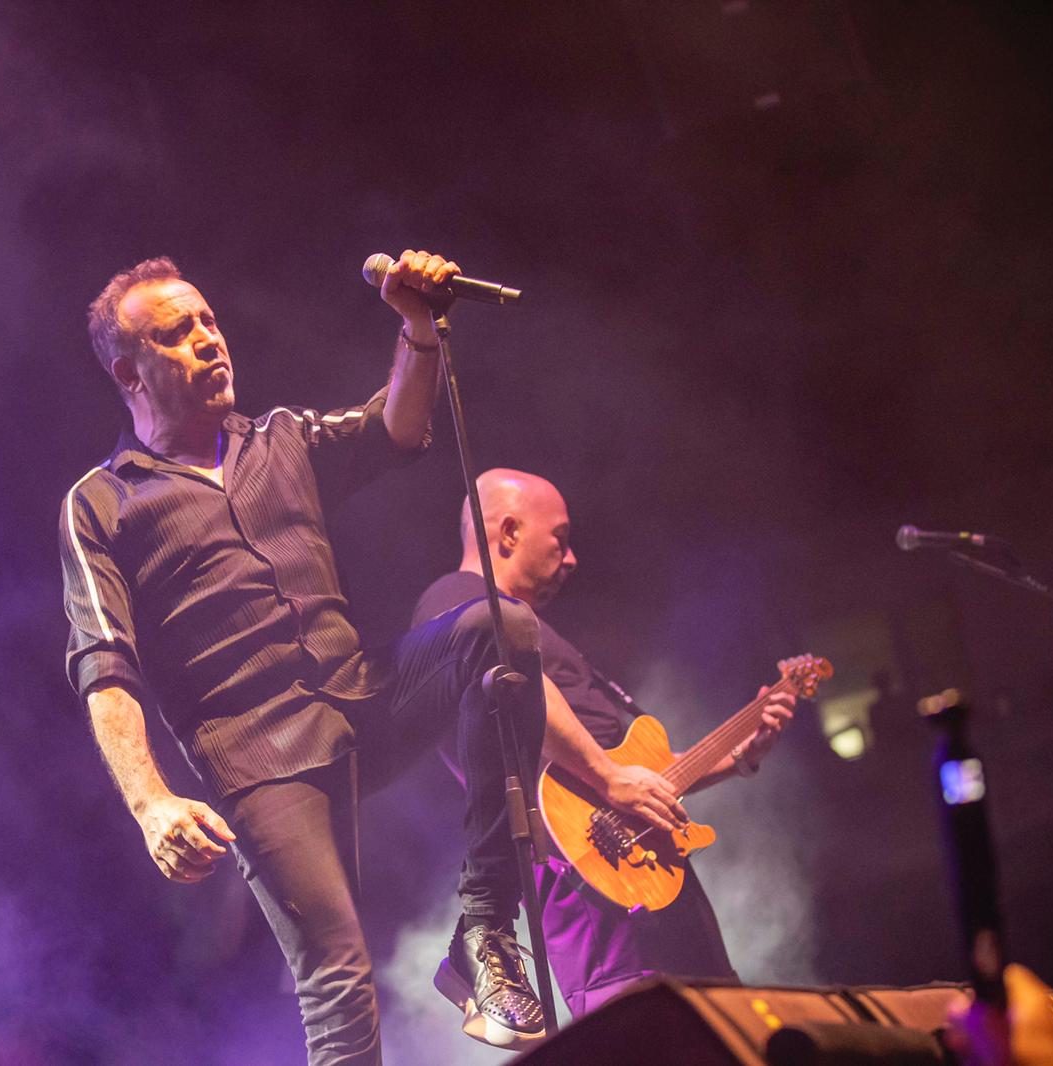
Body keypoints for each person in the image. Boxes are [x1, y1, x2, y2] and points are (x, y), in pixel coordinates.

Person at [59, 254, 686, 1062]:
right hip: (261, 763)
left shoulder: (281, 439)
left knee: (497, 627)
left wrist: (418, 328)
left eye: (209, 321)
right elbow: (104, 665)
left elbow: (396, 428)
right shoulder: (102, 503)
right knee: (340, 979)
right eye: (177, 334)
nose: (209, 340)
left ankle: (486, 927)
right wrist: (152, 804)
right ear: (129, 373)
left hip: (363, 701)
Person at [412, 468, 798, 1016]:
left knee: (717, 1022)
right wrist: (609, 777)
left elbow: (644, 776)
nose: (571, 559)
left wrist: (737, 758)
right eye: (560, 539)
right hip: (588, 867)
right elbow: (516, 691)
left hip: (640, 860)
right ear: (510, 532)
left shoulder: (534, 629)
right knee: (640, 1027)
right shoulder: (456, 598)